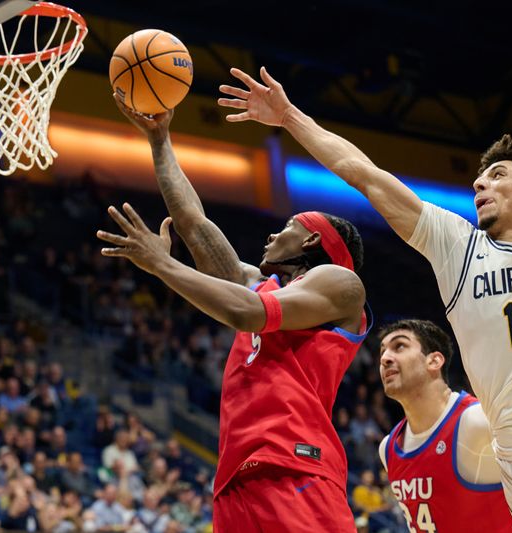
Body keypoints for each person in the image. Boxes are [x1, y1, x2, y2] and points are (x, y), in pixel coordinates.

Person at [218, 67, 512, 531]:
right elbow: (361, 172)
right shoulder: (457, 245)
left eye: (497, 174)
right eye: (479, 177)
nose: (480, 183)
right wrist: (288, 117)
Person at [97, 96, 371, 532]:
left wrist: (164, 265)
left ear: (311, 242)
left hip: (294, 466)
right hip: (236, 477)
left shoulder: (341, 286)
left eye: (288, 227)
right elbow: (193, 224)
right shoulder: (266, 287)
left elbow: (248, 314)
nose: (272, 232)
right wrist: (160, 140)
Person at [377, 319, 512, 532]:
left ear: (434, 361)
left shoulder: (478, 421)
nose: (385, 358)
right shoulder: (388, 448)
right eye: (382, 351)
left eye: (399, 346)